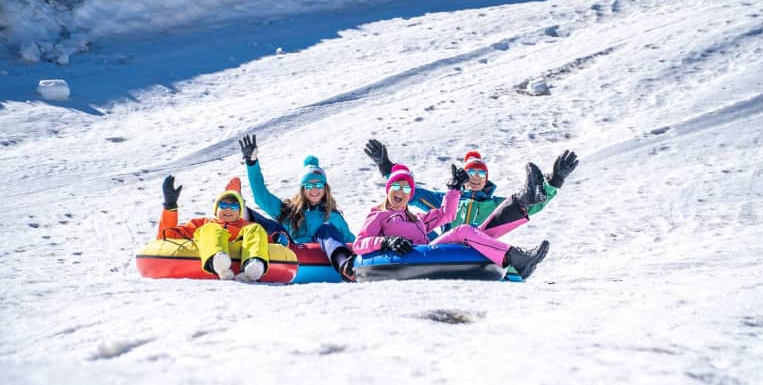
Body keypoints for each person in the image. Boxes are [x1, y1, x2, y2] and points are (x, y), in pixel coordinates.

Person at [352, 163, 550, 279]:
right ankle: (515, 257)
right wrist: (386, 242)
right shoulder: (378, 215)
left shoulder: (416, 219)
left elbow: (447, 215)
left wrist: (454, 189)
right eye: (397, 186)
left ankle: (525, 199)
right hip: (405, 258)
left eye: (406, 189)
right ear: (388, 189)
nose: (401, 192)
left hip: (424, 253)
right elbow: (360, 244)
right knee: (463, 231)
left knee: (479, 233)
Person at [364, 139, 579, 240]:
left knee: (517, 207)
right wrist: (386, 166)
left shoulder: (495, 204)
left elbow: (533, 207)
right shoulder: (445, 200)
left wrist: (556, 182)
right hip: (448, 249)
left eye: (480, 174)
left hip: (482, 247)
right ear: (464, 178)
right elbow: (407, 192)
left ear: (487, 178)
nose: (476, 178)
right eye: (471, 174)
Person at [239, 134, 357, 281]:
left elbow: (352, 242)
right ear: (302, 189)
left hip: (324, 258)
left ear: (325, 188)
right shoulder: (290, 211)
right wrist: (252, 164)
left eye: (318, 185)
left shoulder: (333, 217)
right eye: (309, 185)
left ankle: (344, 265)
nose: (314, 189)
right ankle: (237, 214)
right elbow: (262, 197)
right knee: (273, 226)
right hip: (291, 253)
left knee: (326, 228)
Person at [157, 175, 269, 282]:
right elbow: (168, 235)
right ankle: (217, 261)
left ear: (240, 212)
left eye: (234, 206)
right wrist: (170, 207)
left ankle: (253, 264)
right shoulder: (204, 223)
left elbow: (264, 241)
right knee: (211, 228)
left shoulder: (247, 226)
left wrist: (278, 238)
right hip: (214, 254)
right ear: (216, 210)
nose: (228, 209)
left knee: (256, 228)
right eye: (223, 205)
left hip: (245, 255)